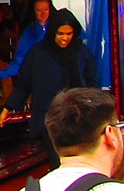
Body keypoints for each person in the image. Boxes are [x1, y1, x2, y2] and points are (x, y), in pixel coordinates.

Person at [6, 10, 101, 145]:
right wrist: (8, 108)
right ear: (52, 32)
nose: (65, 38)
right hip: (48, 120)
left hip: (79, 120)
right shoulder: (38, 54)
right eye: (60, 33)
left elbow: (92, 85)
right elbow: (23, 85)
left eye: (69, 34)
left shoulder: (82, 53)